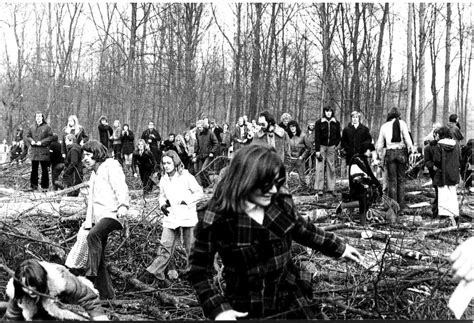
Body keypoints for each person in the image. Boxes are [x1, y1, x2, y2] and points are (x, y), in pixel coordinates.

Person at [187, 144, 364, 320]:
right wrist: (219, 309)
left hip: (290, 298)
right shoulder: (215, 218)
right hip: (247, 307)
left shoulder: (279, 199)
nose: (272, 190)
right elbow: (199, 271)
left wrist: (340, 247)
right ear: (245, 180)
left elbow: (302, 229)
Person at [141, 150, 203, 286]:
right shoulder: (163, 179)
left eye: (169, 163)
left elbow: (199, 192)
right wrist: (162, 204)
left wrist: (186, 200)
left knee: (190, 247)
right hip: (171, 217)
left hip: (186, 216)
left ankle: (199, 276)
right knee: (165, 246)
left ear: (175, 162)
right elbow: (162, 195)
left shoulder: (186, 176)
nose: (166, 166)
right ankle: (155, 274)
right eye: (164, 163)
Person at [82, 140, 129, 299]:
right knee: (99, 256)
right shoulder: (94, 174)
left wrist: (123, 205)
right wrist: (88, 223)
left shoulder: (111, 166)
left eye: (88, 155)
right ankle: (107, 295)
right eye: (84, 155)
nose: (85, 158)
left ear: (97, 154)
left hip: (113, 214)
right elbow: (91, 204)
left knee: (93, 236)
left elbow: (121, 186)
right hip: (99, 217)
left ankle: (90, 276)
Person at [3, 259, 108, 321]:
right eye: (25, 286)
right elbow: (12, 317)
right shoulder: (18, 292)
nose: (30, 290)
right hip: (42, 311)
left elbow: (90, 301)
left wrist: (100, 318)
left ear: (41, 280)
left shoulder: (64, 282)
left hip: (70, 306)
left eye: (33, 285)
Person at [376, 107, 415, 213]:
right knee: (401, 180)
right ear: (398, 115)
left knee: (392, 181)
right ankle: (401, 207)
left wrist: (380, 156)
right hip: (401, 152)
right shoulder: (402, 124)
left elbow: (379, 145)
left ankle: (393, 207)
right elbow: (408, 139)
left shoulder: (384, 126)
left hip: (390, 153)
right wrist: (411, 151)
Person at [335, 143, 383, 226]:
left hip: (362, 186)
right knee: (363, 201)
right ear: (366, 150)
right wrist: (369, 183)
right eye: (369, 151)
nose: (370, 153)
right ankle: (344, 206)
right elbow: (357, 178)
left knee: (369, 199)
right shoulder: (356, 159)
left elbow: (370, 174)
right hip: (356, 187)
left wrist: (379, 186)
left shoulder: (363, 159)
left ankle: (361, 222)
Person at [432, 126, 461, 219]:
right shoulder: (456, 144)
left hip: (442, 174)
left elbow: (437, 160)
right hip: (454, 173)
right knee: (452, 194)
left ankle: (444, 216)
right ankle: (454, 215)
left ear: (440, 135)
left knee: (443, 195)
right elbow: (459, 158)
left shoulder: (439, 145)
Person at [314, 106, 341, 197]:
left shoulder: (336, 123)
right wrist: (317, 150)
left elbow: (338, 136)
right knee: (320, 167)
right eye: (327, 111)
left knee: (331, 167)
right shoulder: (319, 122)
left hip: (331, 147)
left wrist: (335, 144)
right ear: (324, 112)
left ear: (332, 112)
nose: (328, 113)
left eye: (330, 111)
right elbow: (316, 137)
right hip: (321, 146)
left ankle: (331, 188)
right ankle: (319, 188)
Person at [26, 112, 54, 191]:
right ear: (35, 118)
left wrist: (41, 142)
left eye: (39, 116)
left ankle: (45, 187)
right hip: (34, 151)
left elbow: (51, 137)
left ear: (42, 117)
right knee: (34, 169)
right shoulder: (32, 127)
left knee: (44, 169)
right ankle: (33, 186)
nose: (38, 118)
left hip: (43, 151)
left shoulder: (47, 127)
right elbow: (28, 136)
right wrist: (31, 141)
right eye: (37, 116)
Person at [194, 119, 218, 188]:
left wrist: (212, 152)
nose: (199, 129)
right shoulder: (198, 134)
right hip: (201, 155)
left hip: (208, 155)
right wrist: (195, 152)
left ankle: (210, 184)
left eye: (200, 127)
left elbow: (216, 143)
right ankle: (205, 186)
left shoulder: (210, 133)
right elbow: (197, 144)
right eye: (198, 128)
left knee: (204, 169)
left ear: (204, 126)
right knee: (200, 171)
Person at [287, 120, 311, 190]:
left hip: (299, 159)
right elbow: (283, 147)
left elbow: (308, 147)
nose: (292, 128)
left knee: (302, 177)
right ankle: (284, 189)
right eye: (291, 127)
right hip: (290, 159)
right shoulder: (287, 136)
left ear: (296, 127)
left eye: (294, 126)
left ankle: (303, 190)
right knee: (285, 175)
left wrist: (302, 156)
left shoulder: (303, 136)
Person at [424, 128, 441, 217]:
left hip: (443, 172)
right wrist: (432, 166)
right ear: (435, 135)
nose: (439, 137)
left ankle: (436, 209)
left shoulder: (444, 145)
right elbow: (426, 161)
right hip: (434, 173)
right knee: (438, 190)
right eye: (438, 135)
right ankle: (435, 211)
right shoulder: (428, 147)